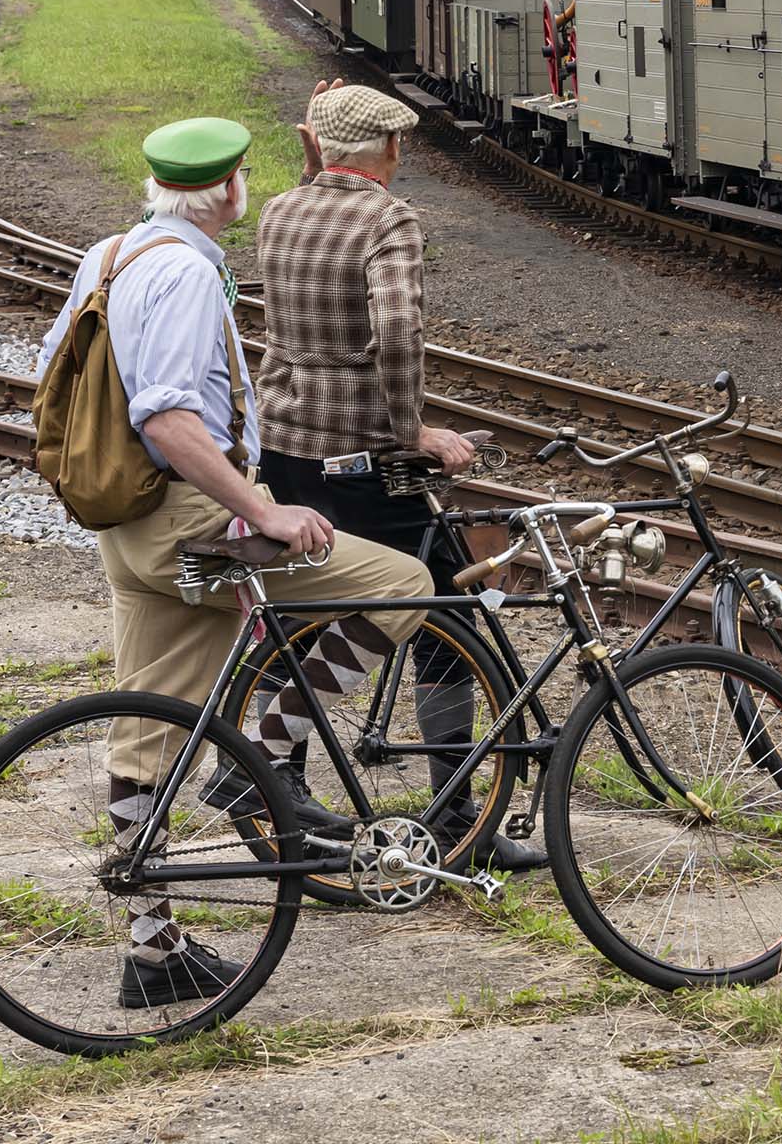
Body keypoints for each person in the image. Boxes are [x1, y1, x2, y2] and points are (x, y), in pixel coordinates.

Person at [37, 115, 434, 1010]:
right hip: (189, 524)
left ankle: (154, 952)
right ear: (226, 190)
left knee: (147, 728)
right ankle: (258, 751)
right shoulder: (183, 271)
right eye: (245, 175)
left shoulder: (114, 253)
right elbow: (169, 418)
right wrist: (265, 511)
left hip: (127, 524)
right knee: (404, 584)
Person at [249, 82, 550, 872]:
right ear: (388, 150)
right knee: (445, 618)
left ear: (317, 146)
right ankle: (457, 821)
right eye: (398, 143)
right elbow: (398, 331)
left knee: (307, 611)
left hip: (284, 452)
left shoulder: (280, 213)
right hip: (358, 458)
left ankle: (271, 776)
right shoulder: (387, 219)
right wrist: (410, 429)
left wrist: (311, 154)